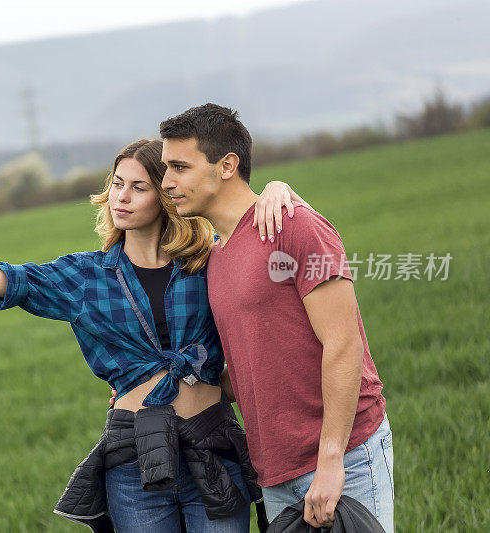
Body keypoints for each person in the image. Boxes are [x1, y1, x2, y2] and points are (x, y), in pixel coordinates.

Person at [0, 139, 310, 532]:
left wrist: (276, 187)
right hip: (135, 460)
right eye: (117, 184)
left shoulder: (207, 262)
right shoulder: (85, 277)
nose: (121, 197)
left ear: (165, 197)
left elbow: (269, 249)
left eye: (138, 187)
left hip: (212, 448)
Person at [153, 104, 393, 532]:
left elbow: (345, 343)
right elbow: (248, 368)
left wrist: (331, 460)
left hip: (344, 458)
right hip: (274, 472)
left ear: (227, 165)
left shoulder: (294, 226)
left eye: (179, 167)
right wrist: (151, 389)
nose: (166, 181)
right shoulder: (216, 255)